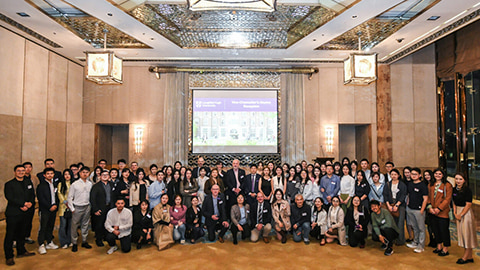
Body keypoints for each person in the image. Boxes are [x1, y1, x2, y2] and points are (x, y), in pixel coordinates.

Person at [3, 165, 35, 266]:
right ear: (14, 172)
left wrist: (30, 203)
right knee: (10, 235)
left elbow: (32, 195)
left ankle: (21, 251)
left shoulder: (28, 182)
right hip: (13, 213)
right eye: (19, 171)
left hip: (25, 213)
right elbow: (10, 197)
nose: (21, 172)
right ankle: (9, 256)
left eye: (22, 170)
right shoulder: (9, 184)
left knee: (22, 233)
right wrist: (23, 204)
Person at [452, 172, 478, 264]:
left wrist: (461, 214)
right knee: (462, 234)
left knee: (467, 234)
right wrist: (455, 213)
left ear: (464, 180)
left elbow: (468, 204)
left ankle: (465, 256)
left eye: (460, 179)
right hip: (458, 212)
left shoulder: (467, 190)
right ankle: (470, 256)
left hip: (466, 213)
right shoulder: (454, 189)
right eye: (456, 179)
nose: (458, 181)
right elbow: (454, 202)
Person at [427, 168, 452, 256]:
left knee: (443, 230)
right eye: (436, 173)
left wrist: (439, 208)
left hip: (442, 212)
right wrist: (430, 207)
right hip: (432, 211)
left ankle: (445, 248)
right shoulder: (431, 184)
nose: (437, 175)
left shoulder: (447, 185)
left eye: (439, 174)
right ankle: (439, 246)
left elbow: (447, 199)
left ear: (443, 175)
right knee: (435, 230)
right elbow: (428, 197)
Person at [67, 166, 93, 252]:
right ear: (79, 173)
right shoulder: (74, 184)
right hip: (77, 207)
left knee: (85, 224)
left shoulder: (90, 184)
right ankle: (74, 242)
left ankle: (84, 241)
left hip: (87, 206)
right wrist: (72, 208)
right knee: (74, 225)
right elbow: (70, 197)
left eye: (87, 172)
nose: (85, 174)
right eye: (83, 172)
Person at [37, 168, 60, 254]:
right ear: (44, 175)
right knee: (43, 227)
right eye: (48, 174)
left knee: (51, 226)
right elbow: (41, 199)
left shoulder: (54, 184)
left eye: (51, 173)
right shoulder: (41, 186)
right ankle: (41, 244)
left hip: (53, 209)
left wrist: (55, 205)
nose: (50, 175)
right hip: (45, 210)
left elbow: (57, 196)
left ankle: (49, 242)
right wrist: (49, 206)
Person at [406, 168, 428, 253]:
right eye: (412, 174)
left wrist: (422, 209)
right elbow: (408, 195)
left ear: (419, 175)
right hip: (410, 208)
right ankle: (415, 242)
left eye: (415, 174)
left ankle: (421, 246)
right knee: (414, 227)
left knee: (421, 228)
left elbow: (425, 199)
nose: (413, 176)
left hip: (419, 210)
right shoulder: (410, 184)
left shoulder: (423, 185)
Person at [383, 168, 407, 245]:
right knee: (391, 223)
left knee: (400, 223)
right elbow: (385, 195)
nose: (393, 176)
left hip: (400, 205)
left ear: (398, 175)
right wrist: (388, 206)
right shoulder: (387, 184)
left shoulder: (402, 185)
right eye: (392, 174)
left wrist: (397, 205)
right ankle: (392, 238)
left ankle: (400, 240)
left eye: (395, 174)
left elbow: (403, 195)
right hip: (390, 204)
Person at [90, 170, 114, 247]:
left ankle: (106, 237)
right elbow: (92, 199)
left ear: (109, 176)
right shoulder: (96, 186)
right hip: (100, 208)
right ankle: (99, 239)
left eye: (107, 175)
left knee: (108, 223)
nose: (105, 176)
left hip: (110, 208)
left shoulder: (112, 185)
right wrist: (95, 209)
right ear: (100, 176)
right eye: (103, 175)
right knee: (99, 225)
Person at [57, 169, 73, 248]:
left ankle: (70, 240)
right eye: (65, 174)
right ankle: (63, 242)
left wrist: (71, 203)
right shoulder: (60, 184)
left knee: (70, 225)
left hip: (72, 207)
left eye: (68, 174)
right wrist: (65, 201)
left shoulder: (74, 184)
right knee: (63, 225)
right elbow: (59, 193)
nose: (67, 176)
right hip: (63, 207)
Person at [22, 161, 36, 245]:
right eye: (26, 167)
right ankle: (16, 239)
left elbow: (35, 191)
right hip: (22, 205)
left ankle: (27, 236)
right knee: (20, 223)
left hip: (31, 204)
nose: (28, 169)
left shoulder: (34, 178)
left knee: (29, 221)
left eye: (29, 167)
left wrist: (31, 202)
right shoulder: (19, 179)